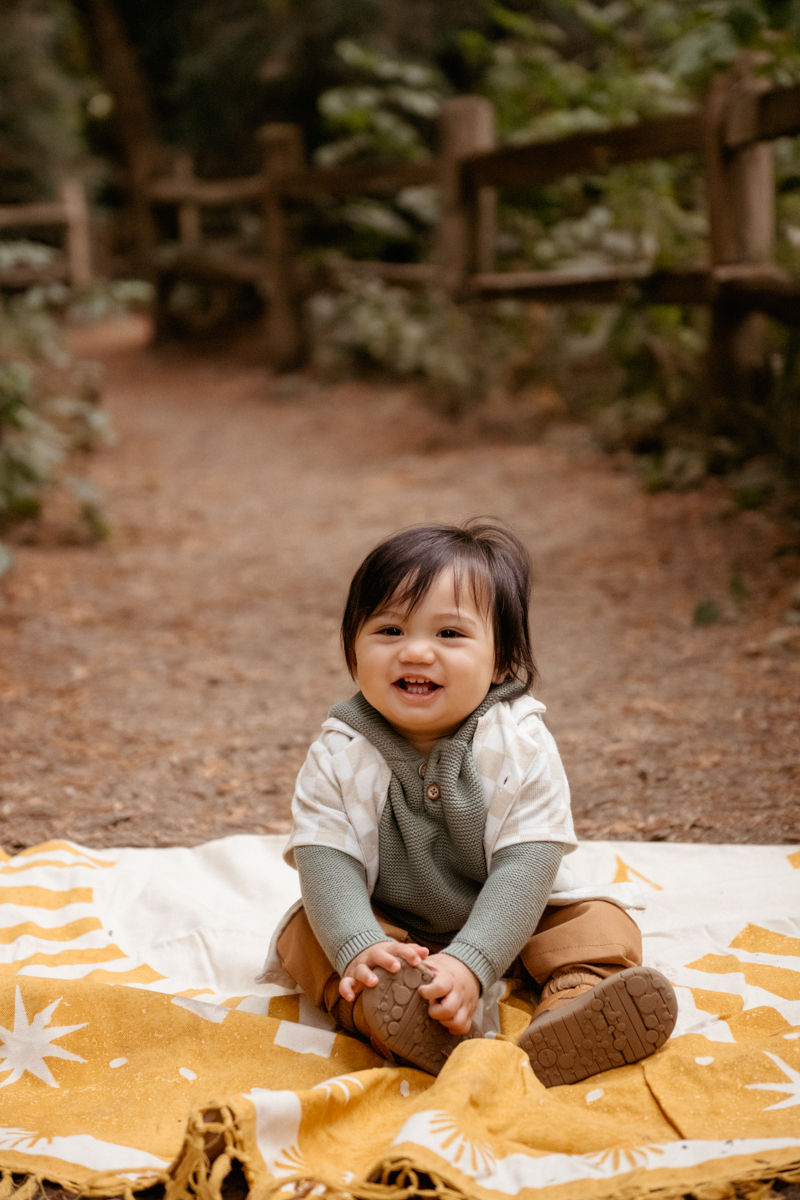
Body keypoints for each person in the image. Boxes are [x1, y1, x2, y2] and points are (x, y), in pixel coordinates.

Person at [263, 520, 677, 1084]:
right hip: (395, 931)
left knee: (601, 923)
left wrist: (471, 962)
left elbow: (528, 864)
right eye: (388, 630)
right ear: (352, 649)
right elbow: (325, 858)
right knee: (310, 933)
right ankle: (394, 1013)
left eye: (450, 635)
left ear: (501, 660)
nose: (415, 652)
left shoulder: (520, 741)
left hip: (520, 912)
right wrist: (360, 945)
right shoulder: (340, 750)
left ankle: (575, 1006)